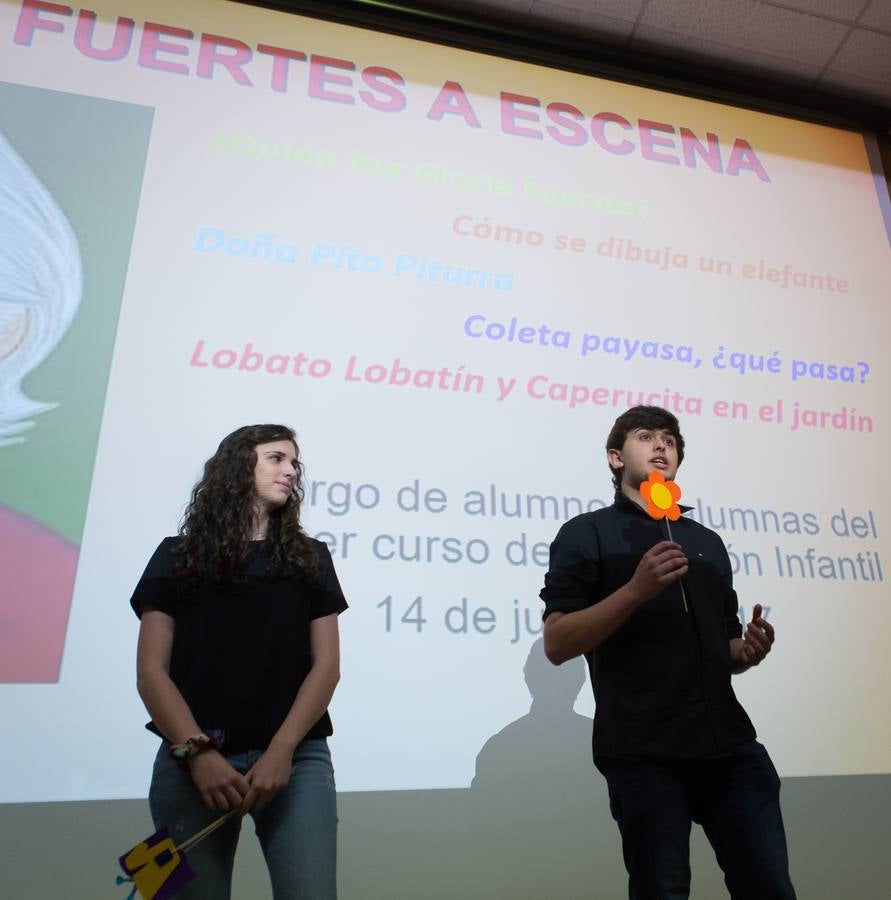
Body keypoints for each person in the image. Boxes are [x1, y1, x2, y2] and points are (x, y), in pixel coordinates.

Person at [540, 406, 795, 900]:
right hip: (644, 752)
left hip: (730, 748)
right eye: (645, 437)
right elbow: (557, 643)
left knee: (770, 887)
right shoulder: (587, 533)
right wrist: (634, 590)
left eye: (670, 440)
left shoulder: (707, 542)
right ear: (616, 458)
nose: (661, 446)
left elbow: (726, 649)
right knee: (663, 889)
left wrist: (748, 649)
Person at [131, 424, 347, 899]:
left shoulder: (312, 557)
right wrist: (199, 753)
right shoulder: (176, 555)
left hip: (296, 758)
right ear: (237, 467)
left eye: (294, 462)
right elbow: (151, 672)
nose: (291, 470)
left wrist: (282, 749)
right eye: (276, 458)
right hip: (188, 761)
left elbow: (326, 667)